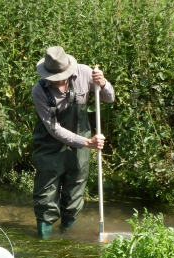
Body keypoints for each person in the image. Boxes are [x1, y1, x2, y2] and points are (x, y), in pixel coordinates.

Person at [31, 46, 115, 237]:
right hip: (50, 146)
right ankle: (44, 240)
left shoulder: (85, 73)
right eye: (53, 77)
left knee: (75, 192)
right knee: (46, 194)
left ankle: (67, 236)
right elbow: (53, 129)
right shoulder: (39, 90)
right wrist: (86, 142)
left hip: (80, 145)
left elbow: (109, 99)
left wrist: (103, 84)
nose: (58, 80)